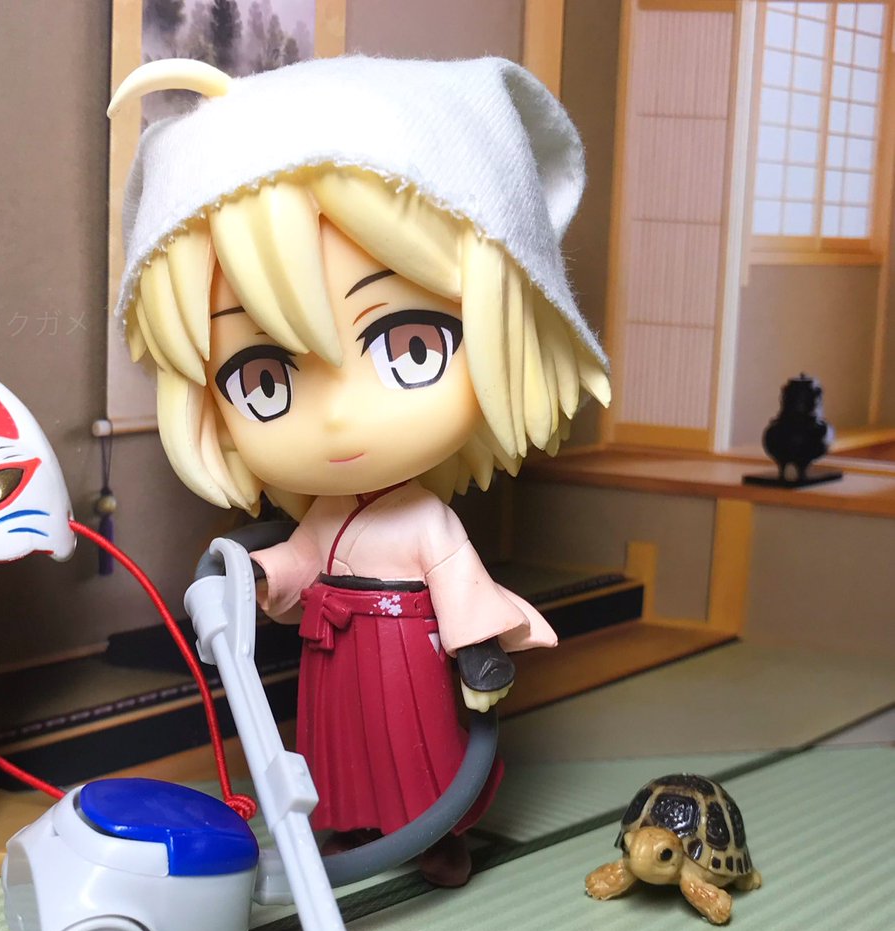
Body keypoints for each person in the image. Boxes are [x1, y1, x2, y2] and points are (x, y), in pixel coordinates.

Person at [110, 54, 610, 885]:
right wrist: (255, 574)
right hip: (334, 654)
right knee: (338, 751)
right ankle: (349, 825)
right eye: (263, 379)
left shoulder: (423, 520)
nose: (339, 416)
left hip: (406, 650)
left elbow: (460, 586)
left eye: (410, 347)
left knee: (419, 746)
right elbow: (300, 557)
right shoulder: (326, 517)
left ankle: (431, 832)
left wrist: (478, 654)